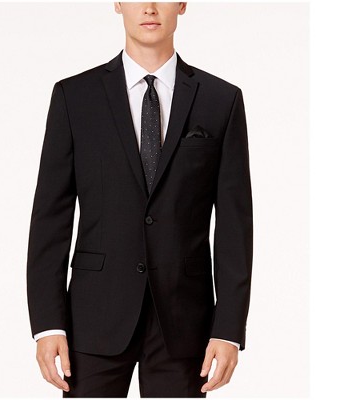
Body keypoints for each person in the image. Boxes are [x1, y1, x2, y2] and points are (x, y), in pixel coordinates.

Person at [26, 2, 253, 397]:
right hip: (93, 317)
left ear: (182, 4)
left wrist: (229, 329)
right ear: (117, 3)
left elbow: (236, 226)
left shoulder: (221, 100)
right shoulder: (75, 97)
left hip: (184, 320)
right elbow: (51, 217)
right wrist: (48, 324)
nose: (149, 7)